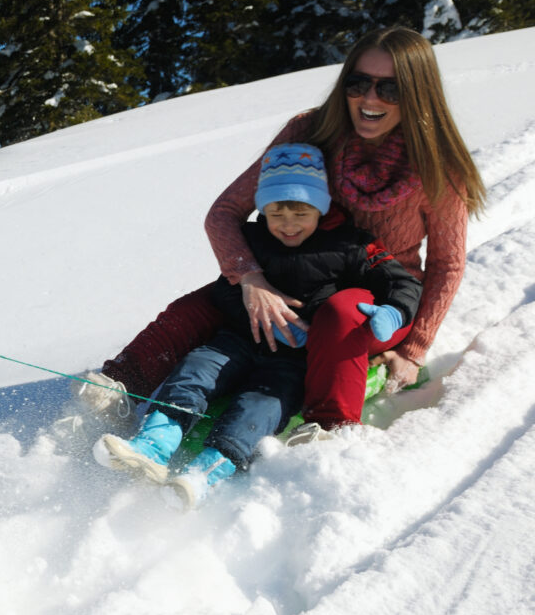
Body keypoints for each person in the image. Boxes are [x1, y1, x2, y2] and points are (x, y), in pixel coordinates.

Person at [87, 26, 485, 437]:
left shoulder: (438, 168)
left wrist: (413, 350)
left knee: (340, 315)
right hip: (291, 275)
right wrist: (251, 278)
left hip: (375, 298)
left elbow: (446, 264)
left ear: (418, 93)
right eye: (359, 83)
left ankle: (327, 426)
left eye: (390, 89)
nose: (369, 99)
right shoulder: (309, 133)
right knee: (200, 308)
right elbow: (224, 212)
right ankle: (121, 384)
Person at [92, 143, 423, 507]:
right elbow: (225, 290)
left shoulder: (350, 245)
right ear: (263, 208)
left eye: (301, 212)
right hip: (236, 340)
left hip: (295, 361)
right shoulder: (252, 239)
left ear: (321, 207)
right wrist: (258, 311)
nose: (288, 223)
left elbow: (401, 281)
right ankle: (153, 447)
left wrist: (393, 312)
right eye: (276, 212)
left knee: (260, 406)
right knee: (194, 371)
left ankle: (204, 474)